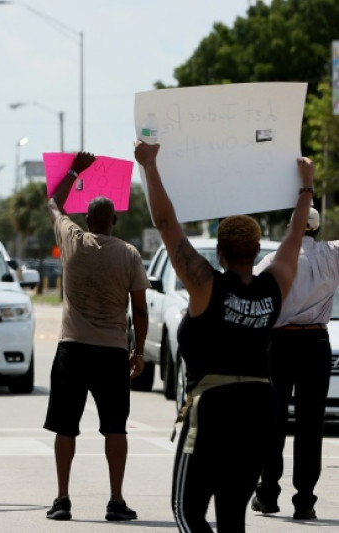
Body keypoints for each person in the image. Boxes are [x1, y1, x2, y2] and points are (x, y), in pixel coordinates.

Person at [134, 140, 312, 533]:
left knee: (188, 511)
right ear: (254, 250)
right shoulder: (275, 286)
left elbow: (167, 225)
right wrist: (306, 187)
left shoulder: (205, 285)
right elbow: (295, 238)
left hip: (214, 407)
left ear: (220, 253)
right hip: (261, 408)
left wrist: (149, 165)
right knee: (232, 518)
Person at [43, 152, 150, 522]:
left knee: (64, 426)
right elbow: (139, 309)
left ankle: (61, 499)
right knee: (115, 428)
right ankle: (116, 500)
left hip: (72, 350)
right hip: (111, 353)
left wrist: (74, 170)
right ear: (114, 221)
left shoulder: (72, 239)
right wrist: (137, 352)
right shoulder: (130, 255)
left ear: (88, 221)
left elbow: (53, 202)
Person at [251, 206, 339, 521]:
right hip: (316, 344)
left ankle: (267, 494)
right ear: (318, 228)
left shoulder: (274, 260)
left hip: (280, 344)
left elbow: (253, 292)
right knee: (310, 425)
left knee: (272, 422)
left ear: (294, 226)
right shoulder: (332, 254)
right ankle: (304, 501)